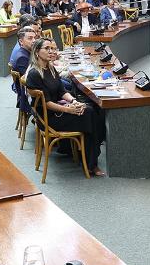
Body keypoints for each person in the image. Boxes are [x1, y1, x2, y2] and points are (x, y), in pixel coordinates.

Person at [25, 37, 106, 177]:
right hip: (48, 118)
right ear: (37, 52)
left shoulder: (50, 68)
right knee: (89, 114)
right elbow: (47, 103)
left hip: (59, 110)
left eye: (53, 48)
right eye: (47, 48)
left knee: (95, 111)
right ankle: (90, 162)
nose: (51, 51)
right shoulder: (34, 74)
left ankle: (89, 158)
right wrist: (69, 109)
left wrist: (74, 102)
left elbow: (62, 91)